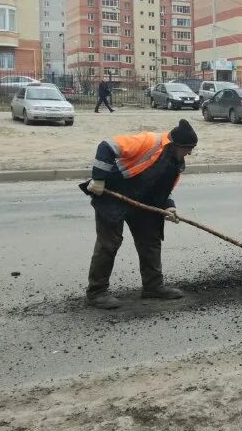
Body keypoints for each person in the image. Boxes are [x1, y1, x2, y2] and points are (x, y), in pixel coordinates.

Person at [81, 119, 199, 309]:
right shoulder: (149, 141)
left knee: (150, 240)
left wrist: (169, 207)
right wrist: (98, 179)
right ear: (177, 145)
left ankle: (153, 286)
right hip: (113, 194)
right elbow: (106, 146)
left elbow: (163, 188)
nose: (190, 153)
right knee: (109, 243)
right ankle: (97, 292)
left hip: (142, 202)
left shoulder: (174, 161)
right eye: (188, 148)